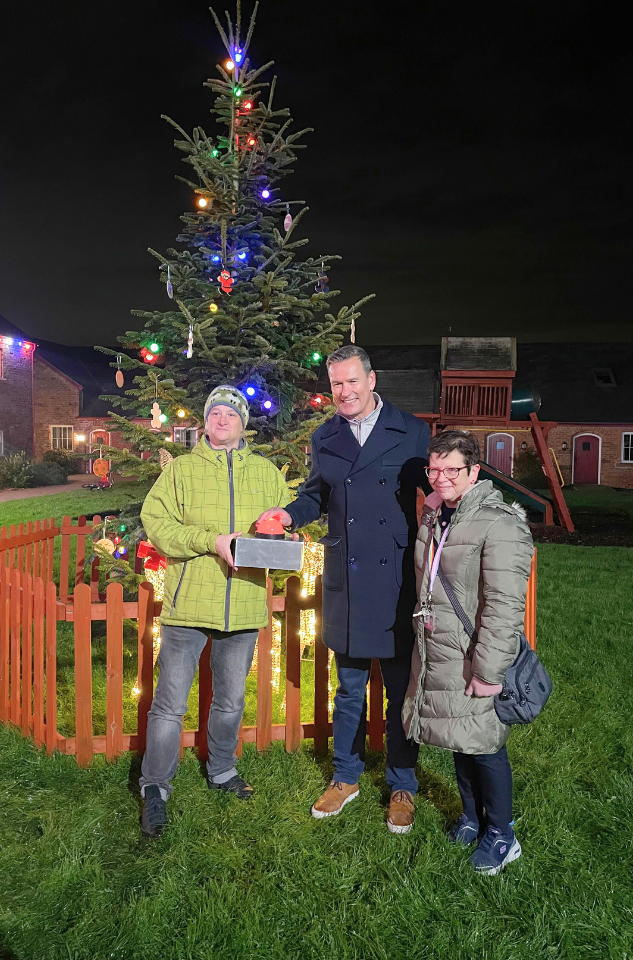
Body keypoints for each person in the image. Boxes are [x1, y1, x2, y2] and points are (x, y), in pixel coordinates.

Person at [258, 345, 430, 833]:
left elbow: (435, 488)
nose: (344, 391)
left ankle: (402, 783)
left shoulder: (411, 430)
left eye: (352, 381)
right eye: (336, 383)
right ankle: (346, 777)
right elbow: (317, 493)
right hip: (347, 580)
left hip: (397, 579)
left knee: (400, 690)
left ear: (372, 379)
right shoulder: (325, 436)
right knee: (349, 688)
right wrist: (289, 514)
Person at [138, 385, 289, 838]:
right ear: (205, 422)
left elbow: (281, 521)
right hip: (188, 607)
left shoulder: (266, 473)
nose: (222, 419)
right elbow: (157, 523)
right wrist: (212, 542)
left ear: (244, 424)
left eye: (231, 413)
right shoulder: (180, 471)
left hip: (243, 606)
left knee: (230, 701)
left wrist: (282, 540)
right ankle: (155, 788)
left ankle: (221, 770)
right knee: (168, 706)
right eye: (215, 412)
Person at [402, 430, 534, 874]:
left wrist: (490, 669)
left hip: (474, 651)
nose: (440, 478)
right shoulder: (441, 514)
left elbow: (504, 606)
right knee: (461, 738)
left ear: (474, 471)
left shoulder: (500, 523)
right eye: (433, 470)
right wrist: (431, 513)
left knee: (485, 745)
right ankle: (473, 817)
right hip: (442, 648)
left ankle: (502, 832)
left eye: (451, 470)